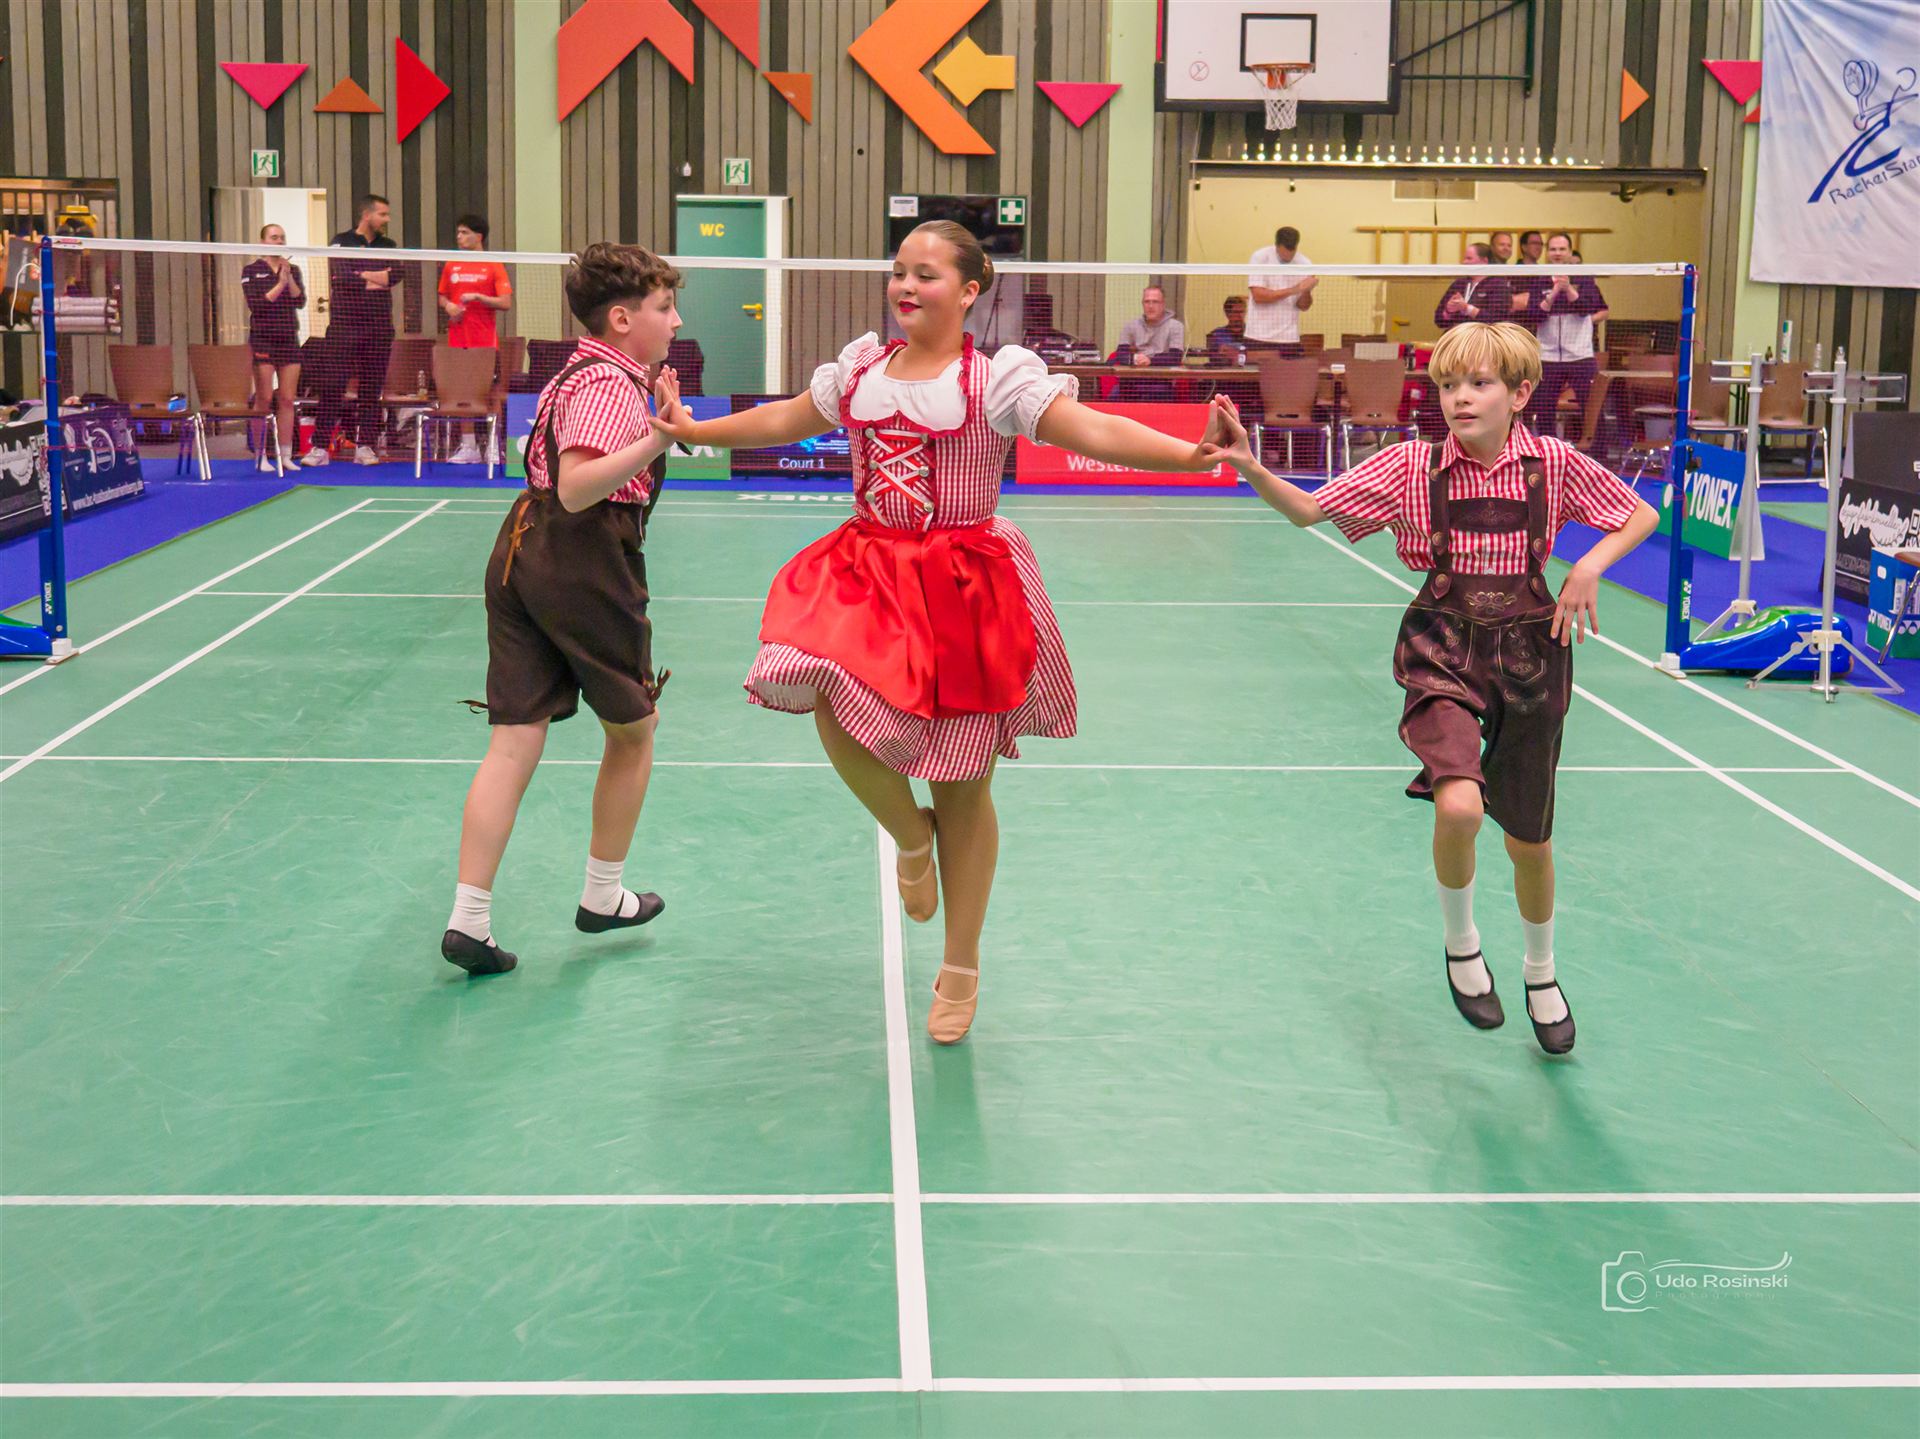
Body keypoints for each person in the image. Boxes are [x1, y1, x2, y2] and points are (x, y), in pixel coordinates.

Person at [650, 220, 1227, 1044]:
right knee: (823, 694)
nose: (906, 285)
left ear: (968, 290)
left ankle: (961, 963)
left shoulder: (997, 382)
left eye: (926, 274)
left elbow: (1093, 429)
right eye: (899, 271)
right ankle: (909, 837)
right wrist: (695, 431)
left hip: (964, 586)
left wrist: (1190, 453)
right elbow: (785, 419)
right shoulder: (859, 369)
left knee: (964, 783)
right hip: (867, 570)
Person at [1204, 322, 1658, 1055]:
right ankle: (1461, 942)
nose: (1459, 398)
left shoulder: (1553, 462)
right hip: (1442, 647)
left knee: (1530, 842)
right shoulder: (1411, 466)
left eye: (1478, 384)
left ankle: (1541, 971)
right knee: (1460, 804)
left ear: (1520, 394)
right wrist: (1250, 467)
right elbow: (1310, 509)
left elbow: (1640, 514)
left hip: (1532, 656)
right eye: (1447, 385)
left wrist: (1589, 565)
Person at [441, 243, 681, 976]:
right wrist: (660, 435)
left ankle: (468, 921)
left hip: (522, 547)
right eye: (665, 307)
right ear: (622, 319)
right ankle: (602, 895)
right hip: (583, 558)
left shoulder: (577, 371)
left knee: (515, 739)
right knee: (634, 731)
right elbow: (579, 487)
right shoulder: (607, 383)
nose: (676, 321)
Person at [306, 195, 403, 467]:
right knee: (332, 386)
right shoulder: (341, 241)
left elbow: (395, 276)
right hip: (344, 327)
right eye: (382, 214)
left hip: (378, 328)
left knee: (371, 389)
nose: (386, 219)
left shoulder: (388, 245)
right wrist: (376, 277)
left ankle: (365, 446)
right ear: (367, 215)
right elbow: (341, 276)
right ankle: (320, 447)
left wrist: (362, 274)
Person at [1512, 233, 1608, 443]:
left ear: (1570, 252)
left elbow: (1586, 309)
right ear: (1548, 253)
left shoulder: (1584, 278)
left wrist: (1569, 289)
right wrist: (1554, 293)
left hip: (1580, 356)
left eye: (1562, 249)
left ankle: (1597, 453)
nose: (1557, 253)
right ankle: (1548, 452)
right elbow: (1534, 315)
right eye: (1553, 249)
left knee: (1591, 408)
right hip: (1548, 357)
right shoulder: (1540, 279)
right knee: (1543, 409)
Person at [438, 213, 513, 463]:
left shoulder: (493, 265)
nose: (459, 237)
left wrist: (479, 297)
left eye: (464, 232)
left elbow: (505, 302)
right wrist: (448, 306)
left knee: (491, 393)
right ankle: (468, 447)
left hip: (485, 342)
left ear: (478, 236)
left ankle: (493, 445)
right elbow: (442, 296)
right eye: (458, 232)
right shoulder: (451, 264)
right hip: (458, 340)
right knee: (462, 394)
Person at [240, 223, 305, 471]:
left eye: (282, 238)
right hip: (263, 339)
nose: (279, 241)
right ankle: (260, 455)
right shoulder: (251, 270)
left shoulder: (292, 269)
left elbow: (299, 300)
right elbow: (257, 305)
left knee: (287, 399)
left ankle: (285, 454)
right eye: (274, 237)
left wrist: (288, 279)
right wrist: (279, 284)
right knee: (264, 398)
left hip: (288, 340)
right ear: (263, 242)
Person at [1245, 225, 1316, 355]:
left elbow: (1303, 306)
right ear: (1277, 245)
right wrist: (1294, 289)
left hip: (1288, 338)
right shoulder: (1260, 257)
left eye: (1292, 251)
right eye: (1284, 252)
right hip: (1258, 335)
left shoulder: (1305, 263)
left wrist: (1307, 290)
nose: (1288, 256)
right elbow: (1259, 296)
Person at [1433, 243, 1510, 331]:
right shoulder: (1459, 284)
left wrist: (1467, 308)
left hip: (1483, 337)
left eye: (1469, 258)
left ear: (1484, 261)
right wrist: (1448, 311)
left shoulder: (1498, 284)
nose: (1464, 262)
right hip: (1457, 335)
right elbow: (1438, 320)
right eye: (1465, 258)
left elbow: (1496, 321)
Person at [1116, 285, 1186, 364]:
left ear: (1163, 304)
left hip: (1163, 370)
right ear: (1142, 304)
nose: (1150, 306)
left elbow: (1176, 357)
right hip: (1136, 369)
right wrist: (1136, 359)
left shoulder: (1176, 326)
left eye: (1155, 302)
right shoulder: (1130, 326)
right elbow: (1120, 355)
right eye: (1147, 302)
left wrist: (1150, 361)